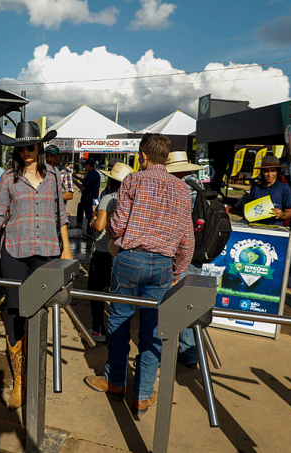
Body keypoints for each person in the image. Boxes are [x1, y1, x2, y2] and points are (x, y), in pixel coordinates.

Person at [84, 133, 194, 413]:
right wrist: (178, 270)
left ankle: (116, 381)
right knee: (153, 330)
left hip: (131, 259)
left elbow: (118, 226)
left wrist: (112, 233)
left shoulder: (133, 180)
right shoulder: (182, 188)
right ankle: (143, 394)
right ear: (165, 158)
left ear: (143, 156)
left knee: (119, 321)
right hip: (163, 265)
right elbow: (187, 239)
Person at [0, 121, 72, 410]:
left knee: (37, 312)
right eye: (20, 147)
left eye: (30, 146)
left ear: (39, 147)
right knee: (14, 311)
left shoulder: (53, 175)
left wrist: (66, 249)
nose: (26, 151)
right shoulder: (9, 179)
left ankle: (34, 370)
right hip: (15, 251)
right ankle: (19, 379)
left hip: (47, 251)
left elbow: (60, 215)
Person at [165, 151, 208, 368]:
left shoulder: (179, 188)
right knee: (189, 302)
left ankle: (167, 352)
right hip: (197, 251)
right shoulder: (198, 186)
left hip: (179, 251)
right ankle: (190, 353)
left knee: (172, 301)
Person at [86, 162, 134, 343]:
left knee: (96, 291)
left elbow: (99, 226)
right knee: (118, 294)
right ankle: (118, 332)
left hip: (103, 250)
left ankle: (98, 330)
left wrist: (92, 221)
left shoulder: (108, 198)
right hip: (122, 252)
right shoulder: (131, 199)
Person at [241, 155, 291, 225]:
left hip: (275, 227)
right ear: (262, 172)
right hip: (256, 226)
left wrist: (281, 214)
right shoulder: (256, 188)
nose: (269, 174)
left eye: (273, 171)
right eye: (266, 171)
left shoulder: (285, 188)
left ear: (277, 172)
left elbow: (289, 213)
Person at [74, 158, 100, 237]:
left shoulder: (91, 174)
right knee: (80, 206)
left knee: (89, 215)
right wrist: (76, 178)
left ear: (89, 166)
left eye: (85, 165)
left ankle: (90, 233)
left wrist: (75, 182)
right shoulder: (93, 173)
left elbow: (83, 187)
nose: (84, 167)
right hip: (89, 196)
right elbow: (85, 181)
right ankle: (79, 224)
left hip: (88, 197)